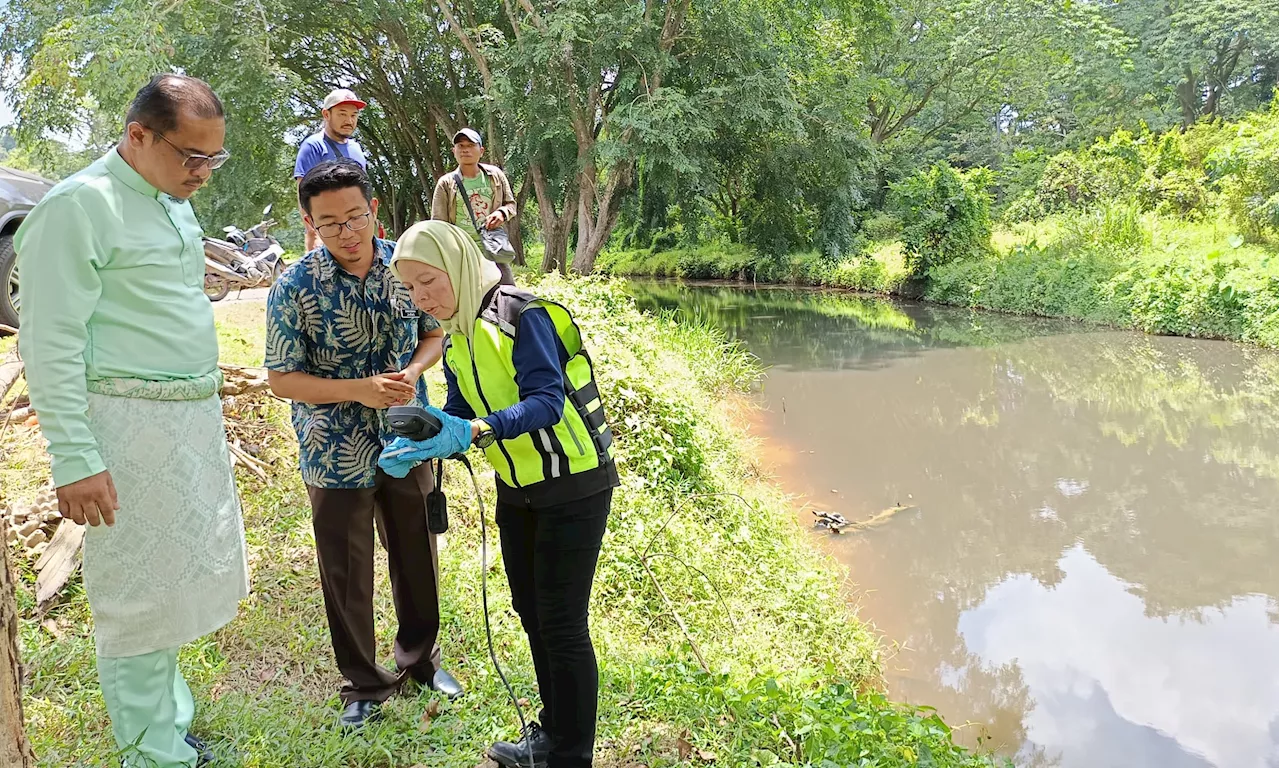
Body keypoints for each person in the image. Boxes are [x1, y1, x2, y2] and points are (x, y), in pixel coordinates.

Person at [14, 74, 248, 767]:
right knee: (139, 600)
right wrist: (76, 458)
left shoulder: (172, 201)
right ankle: (151, 754)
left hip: (184, 429)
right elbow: (48, 342)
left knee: (171, 589)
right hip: (124, 433)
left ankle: (168, 727)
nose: (203, 176)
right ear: (137, 135)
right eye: (191, 158)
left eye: (214, 160)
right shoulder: (79, 206)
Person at [380, 220, 619, 767]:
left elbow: (546, 402)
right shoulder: (460, 330)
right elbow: (462, 406)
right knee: (531, 613)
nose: (422, 299)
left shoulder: (521, 314)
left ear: (459, 267)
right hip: (518, 489)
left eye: (430, 282)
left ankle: (571, 755)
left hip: (573, 485)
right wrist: (430, 434)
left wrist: (477, 431)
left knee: (562, 623)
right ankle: (551, 733)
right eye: (412, 288)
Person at [264, 160, 463, 729]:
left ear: (373, 210)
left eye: (355, 217)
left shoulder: (409, 265)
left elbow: (435, 331)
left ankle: (421, 660)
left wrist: (412, 369)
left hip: (406, 439)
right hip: (333, 449)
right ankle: (364, 684)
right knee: (346, 571)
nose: (347, 233)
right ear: (310, 223)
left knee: (416, 552)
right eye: (330, 224)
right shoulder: (295, 286)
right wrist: (360, 390)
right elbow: (282, 379)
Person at [430, 128, 518, 284]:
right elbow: (438, 223)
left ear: (481, 150)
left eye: (470, 145)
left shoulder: (495, 175)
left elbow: (511, 204)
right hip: (462, 252)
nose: (465, 150)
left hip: (492, 248)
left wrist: (502, 214)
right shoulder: (446, 183)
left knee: (508, 295)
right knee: (469, 301)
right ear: (454, 150)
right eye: (460, 146)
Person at [294, 88, 369, 252]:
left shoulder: (357, 149)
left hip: (357, 233)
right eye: (342, 114)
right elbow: (303, 195)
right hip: (328, 234)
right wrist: (314, 234)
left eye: (354, 115)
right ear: (326, 114)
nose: (349, 120)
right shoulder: (313, 147)